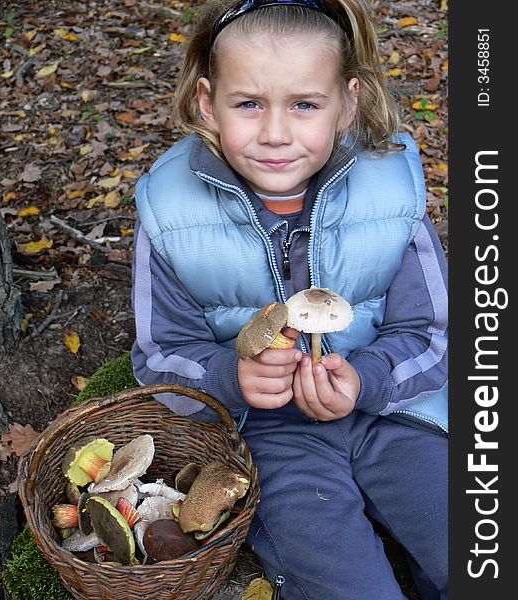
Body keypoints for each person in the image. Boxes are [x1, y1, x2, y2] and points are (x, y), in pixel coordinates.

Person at [131, 0, 448, 598]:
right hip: (273, 439)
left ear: (348, 102)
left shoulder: (391, 191)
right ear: (208, 102)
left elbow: (433, 333)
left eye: (305, 105)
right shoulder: (169, 213)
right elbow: (161, 354)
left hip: (395, 417)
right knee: (346, 583)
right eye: (248, 104)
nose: (276, 133)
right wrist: (232, 375)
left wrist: (366, 378)